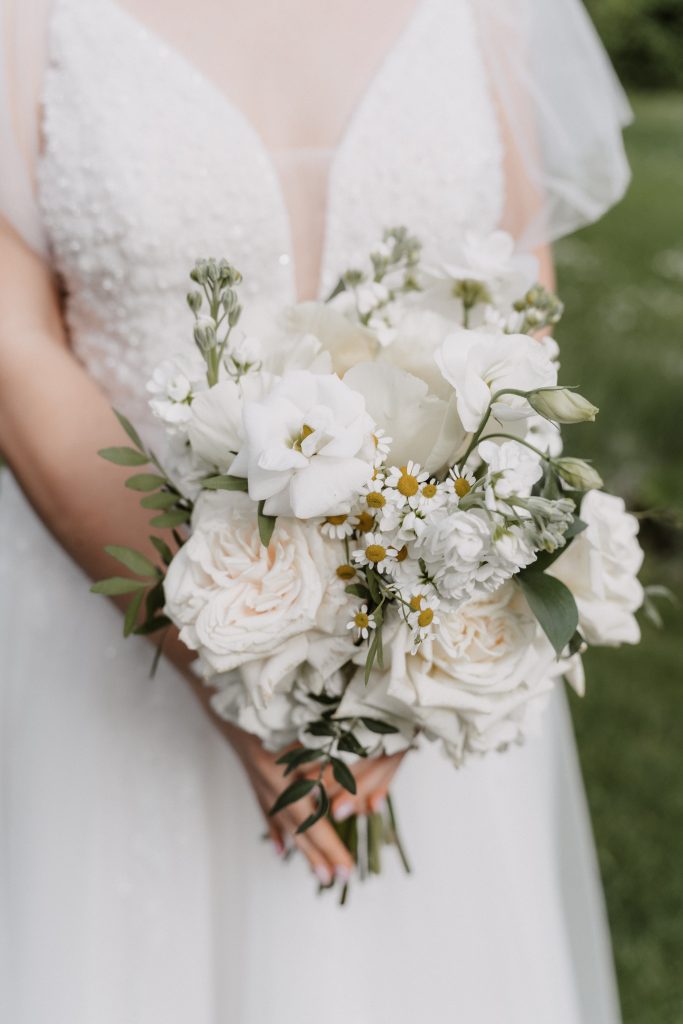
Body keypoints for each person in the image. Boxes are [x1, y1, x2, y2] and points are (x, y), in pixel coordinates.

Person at [0, 1, 632, 1021]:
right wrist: (221, 649)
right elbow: (15, 343)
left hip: (433, 656)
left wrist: (410, 670)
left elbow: (516, 306)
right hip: (115, 634)